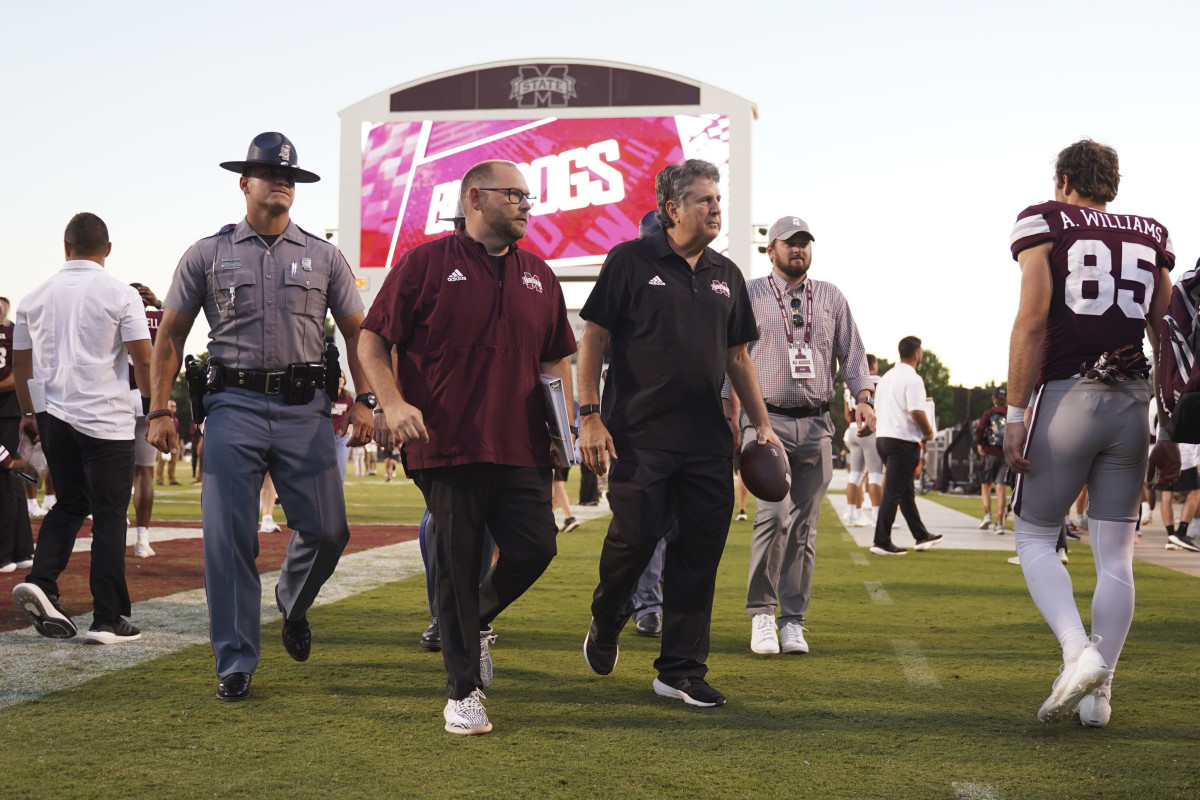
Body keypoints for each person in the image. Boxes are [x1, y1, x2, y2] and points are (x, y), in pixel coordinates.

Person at [147, 132, 374, 702]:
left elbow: (358, 333)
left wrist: (368, 399)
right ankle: (236, 661)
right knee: (228, 539)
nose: (281, 182)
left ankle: (292, 603)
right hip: (234, 407)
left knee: (328, 530)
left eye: (290, 176)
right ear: (243, 182)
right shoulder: (207, 253)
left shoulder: (325, 256)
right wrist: (159, 409)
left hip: (306, 410)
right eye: (269, 173)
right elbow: (171, 335)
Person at [359, 158, 576, 735]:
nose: (528, 205)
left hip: (522, 444)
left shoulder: (539, 273)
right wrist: (392, 402)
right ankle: (462, 693)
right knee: (456, 565)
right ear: (476, 199)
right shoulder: (425, 264)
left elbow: (555, 356)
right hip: (447, 444)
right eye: (516, 195)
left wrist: (564, 427)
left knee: (535, 549)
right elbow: (373, 341)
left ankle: (471, 621)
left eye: (529, 197)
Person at [578, 158, 782, 708]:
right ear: (672, 209)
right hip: (638, 434)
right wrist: (588, 412)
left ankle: (681, 670)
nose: (716, 208)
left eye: (718, 199)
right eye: (704, 200)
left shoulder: (727, 274)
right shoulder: (629, 259)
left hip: (706, 440)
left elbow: (738, 356)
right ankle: (608, 612)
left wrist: (760, 424)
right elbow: (593, 334)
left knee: (699, 552)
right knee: (636, 537)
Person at [1004, 139, 1175, 726]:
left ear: (1064, 179)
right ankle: (1101, 697)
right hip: (1134, 402)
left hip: (1067, 397)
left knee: (1033, 536)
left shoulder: (1046, 220)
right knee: (1116, 555)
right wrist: (1172, 428)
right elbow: (1168, 335)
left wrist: (1013, 415)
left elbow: (1031, 321)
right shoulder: (1151, 234)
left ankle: (1079, 652)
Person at [727, 215, 874, 656]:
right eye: (789, 243)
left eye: (805, 243)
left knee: (805, 528)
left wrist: (863, 396)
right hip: (764, 419)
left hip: (816, 423)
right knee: (773, 517)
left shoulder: (830, 296)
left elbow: (853, 352)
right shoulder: (749, 293)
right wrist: (728, 414)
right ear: (769, 250)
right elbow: (731, 356)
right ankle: (763, 615)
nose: (798, 249)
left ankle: (793, 620)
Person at [11, 212, 151, 644]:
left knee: (69, 503)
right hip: (105, 417)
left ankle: (43, 580)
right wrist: (154, 408)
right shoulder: (120, 292)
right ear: (107, 249)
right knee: (110, 514)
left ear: (65, 247)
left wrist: (29, 413)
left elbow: (20, 364)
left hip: (53, 414)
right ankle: (108, 618)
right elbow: (142, 358)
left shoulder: (32, 297)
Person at [871, 336, 942, 555]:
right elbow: (916, 411)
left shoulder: (887, 377)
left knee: (905, 492)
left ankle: (920, 535)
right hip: (902, 440)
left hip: (883, 437)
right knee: (893, 492)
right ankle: (881, 541)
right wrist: (929, 431)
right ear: (917, 353)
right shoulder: (913, 379)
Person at [0, 296, 35, 573]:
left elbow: (22, 371)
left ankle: (6, 553)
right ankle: (21, 549)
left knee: (6, 477)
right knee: (10, 479)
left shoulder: (14, 332)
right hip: (15, 410)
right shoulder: (15, 331)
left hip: (9, 411)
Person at [129, 284, 164, 557]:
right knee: (145, 473)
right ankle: (142, 539)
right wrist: (159, 303)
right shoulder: (157, 320)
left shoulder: (116, 316)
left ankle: (115, 529)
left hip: (116, 399)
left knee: (113, 471)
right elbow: (177, 325)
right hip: (147, 401)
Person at [843, 353, 882, 527]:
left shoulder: (848, 385)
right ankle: (878, 517)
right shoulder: (876, 381)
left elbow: (846, 414)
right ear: (872, 366)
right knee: (875, 475)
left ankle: (852, 514)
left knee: (855, 475)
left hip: (852, 428)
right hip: (869, 430)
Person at [975, 386, 1010, 534]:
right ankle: (999, 523)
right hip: (1006, 455)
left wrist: (980, 444)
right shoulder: (1012, 413)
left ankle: (987, 514)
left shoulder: (989, 413)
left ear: (993, 399)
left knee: (986, 484)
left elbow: (980, 429)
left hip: (990, 452)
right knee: (1001, 488)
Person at [330, 374, 354, 482]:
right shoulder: (326, 396)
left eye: (343, 377)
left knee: (340, 468)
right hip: (326, 438)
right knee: (325, 469)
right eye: (338, 377)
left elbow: (353, 417)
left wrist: (348, 429)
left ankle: (337, 497)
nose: (340, 379)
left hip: (342, 438)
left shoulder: (348, 398)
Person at [154, 400, 181, 485]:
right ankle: (159, 479)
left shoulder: (175, 419)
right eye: (172, 406)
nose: (174, 408)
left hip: (174, 440)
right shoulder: (163, 418)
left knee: (173, 461)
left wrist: (177, 442)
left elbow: (177, 432)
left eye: (175, 406)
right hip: (164, 440)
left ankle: (172, 479)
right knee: (162, 461)